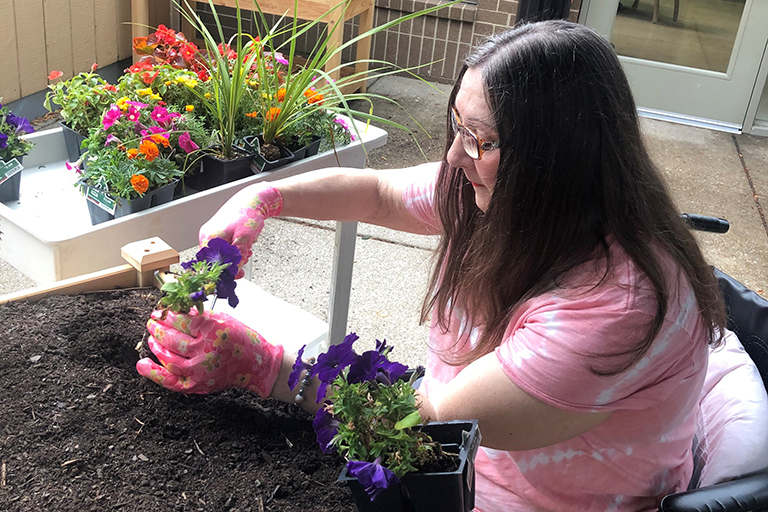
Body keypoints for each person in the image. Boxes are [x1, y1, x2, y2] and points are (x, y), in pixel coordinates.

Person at [137, 20, 726, 512]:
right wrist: (263, 197)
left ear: (558, 162)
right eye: (457, 128)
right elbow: (379, 195)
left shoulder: (615, 305)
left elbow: (431, 422)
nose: (453, 157)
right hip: (453, 465)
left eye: (481, 140)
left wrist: (264, 365)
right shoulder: (504, 196)